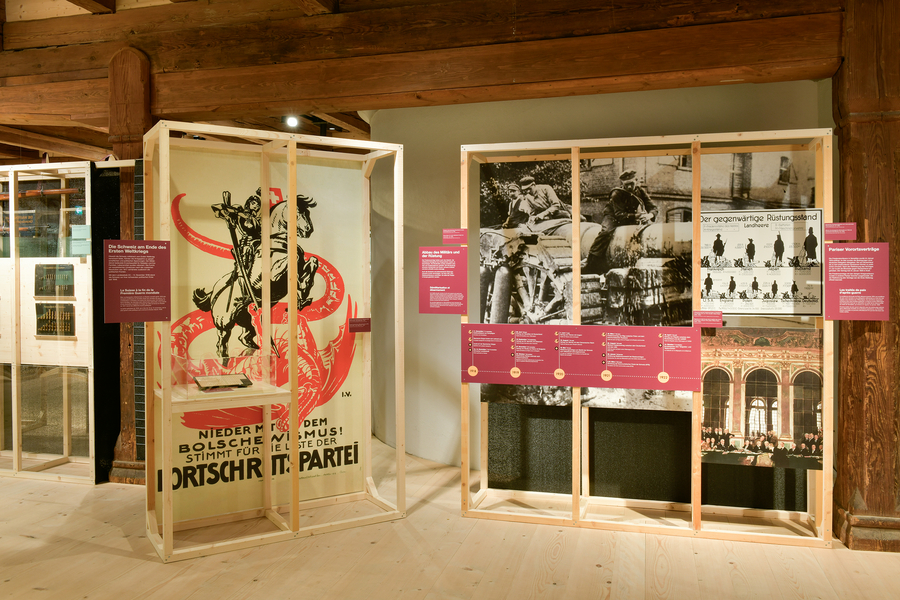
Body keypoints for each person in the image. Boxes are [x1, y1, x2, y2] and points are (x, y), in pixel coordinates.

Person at [585, 170, 657, 275]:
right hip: (613, 216)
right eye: (626, 184)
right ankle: (591, 261)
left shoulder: (640, 191)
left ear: (636, 181)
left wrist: (650, 215)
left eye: (631, 183)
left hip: (629, 216)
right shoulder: (617, 194)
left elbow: (653, 207)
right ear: (622, 183)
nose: (629, 187)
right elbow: (619, 215)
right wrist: (638, 216)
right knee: (605, 232)